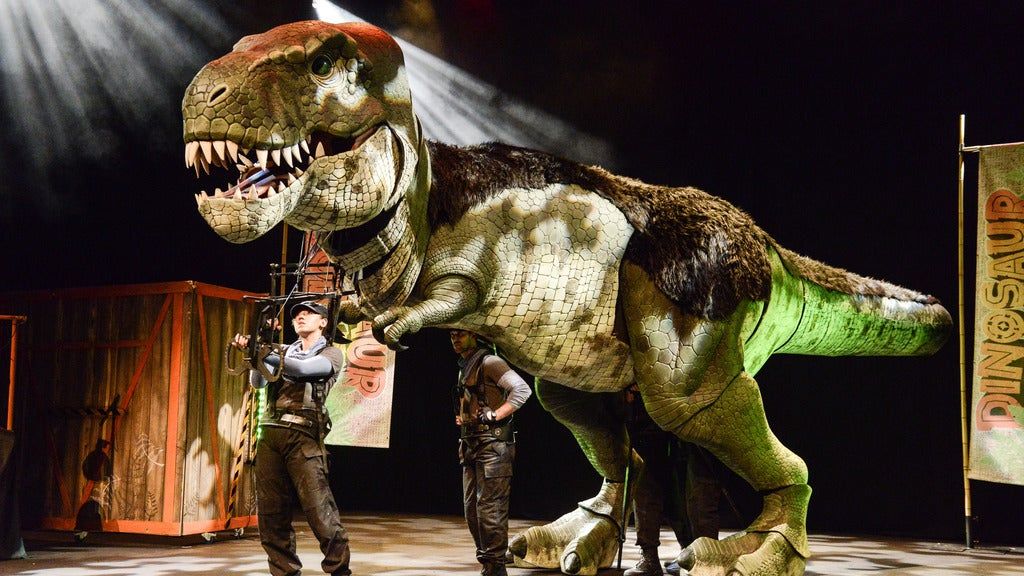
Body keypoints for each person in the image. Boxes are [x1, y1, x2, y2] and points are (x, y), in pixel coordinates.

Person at [232, 301, 351, 576]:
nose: (300, 316)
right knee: (271, 512)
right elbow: (258, 382)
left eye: (308, 313)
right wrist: (259, 351)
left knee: (319, 509)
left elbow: (302, 371)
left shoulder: (332, 354)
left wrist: (262, 351)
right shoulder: (281, 350)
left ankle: (339, 570)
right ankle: (283, 571)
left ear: (323, 322)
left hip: (303, 435)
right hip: (271, 432)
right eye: (297, 313)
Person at [450, 329, 533, 576]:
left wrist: (495, 415)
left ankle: (494, 567)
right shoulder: (466, 365)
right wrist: (465, 416)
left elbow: (522, 390)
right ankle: (489, 561)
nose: (455, 339)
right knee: (472, 511)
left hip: (493, 445)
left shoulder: (490, 361)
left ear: (474, 335)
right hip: (471, 443)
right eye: (452, 334)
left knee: (489, 510)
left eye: (460, 334)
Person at [624, 385, 722, 576]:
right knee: (647, 477)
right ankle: (650, 557)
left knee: (696, 479)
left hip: (691, 398)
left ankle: (700, 557)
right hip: (651, 399)